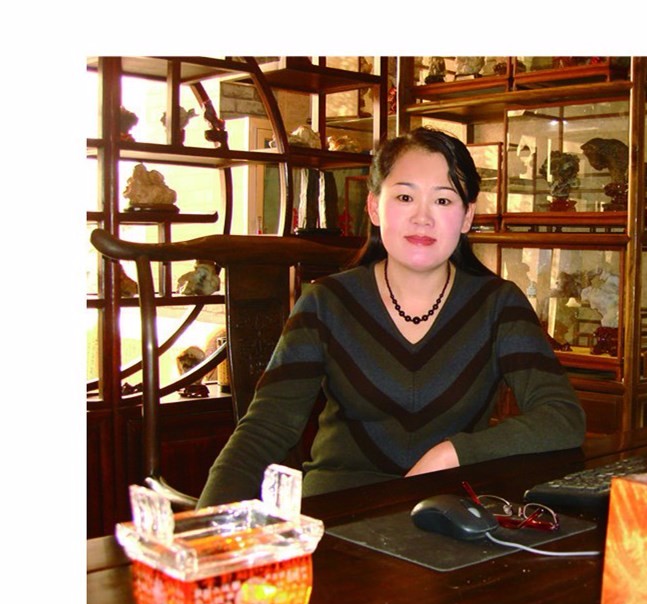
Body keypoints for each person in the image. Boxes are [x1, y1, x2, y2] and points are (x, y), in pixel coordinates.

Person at [197, 127, 586, 508]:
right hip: (339, 510)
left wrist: (453, 453)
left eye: (443, 200)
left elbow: (562, 417)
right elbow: (265, 430)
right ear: (373, 207)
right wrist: (202, 528)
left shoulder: (498, 305)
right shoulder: (326, 303)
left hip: (448, 512)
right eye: (404, 197)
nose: (422, 218)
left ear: (467, 216)